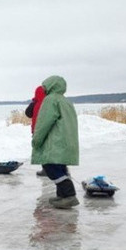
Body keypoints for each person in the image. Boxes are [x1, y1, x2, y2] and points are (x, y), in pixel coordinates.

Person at [31, 75, 80, 209]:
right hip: (66, 141)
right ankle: (62, 196)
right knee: (60, 167)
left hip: (55, 141)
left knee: (50, 167)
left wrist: (37, 139)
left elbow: (44, 122)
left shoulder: (50, 100)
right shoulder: (66, 101)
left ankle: (69, 195)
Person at [24, 85, 47, 176]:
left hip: (37, 130)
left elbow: (28, 113)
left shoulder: (35, 103)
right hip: (48, 130)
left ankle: (45, 169)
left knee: (41, 150)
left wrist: (33, 102)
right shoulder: (49, 103)